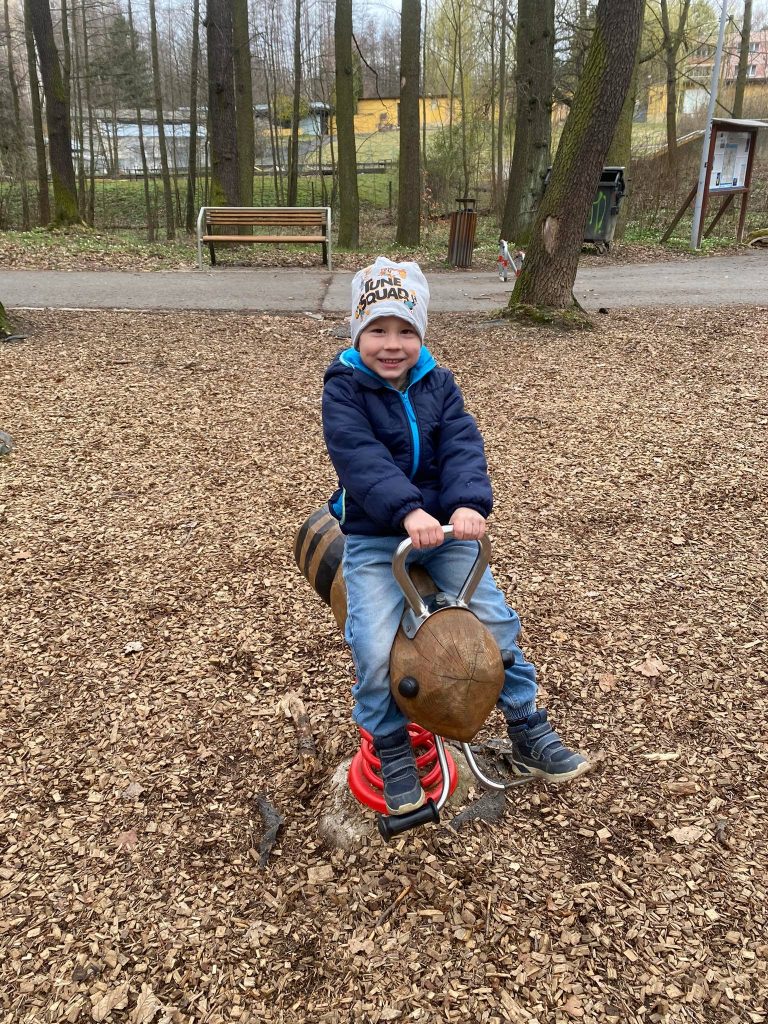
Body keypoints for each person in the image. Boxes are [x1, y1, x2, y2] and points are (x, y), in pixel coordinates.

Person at [322, 256, 589, 815]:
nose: (391, 345)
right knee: (371, 641)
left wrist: (467, 503)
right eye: (377, 330)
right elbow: (360, 458)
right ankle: (389, 741)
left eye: (405, 331)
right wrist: (406, 511)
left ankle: (526, 725)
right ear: (356, 332)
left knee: (495, 622)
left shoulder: (439, 384)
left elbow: (462, 445)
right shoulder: (344, 390)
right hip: (377, 535)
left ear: (420, 335)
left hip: (444, 527)